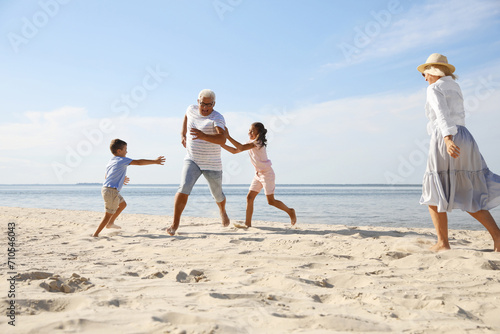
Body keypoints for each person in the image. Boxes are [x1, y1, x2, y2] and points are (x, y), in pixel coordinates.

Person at [418, 53, 500, 252]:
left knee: (433, 193)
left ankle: (443, 243)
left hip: (447, 136)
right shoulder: (454, 87)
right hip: (465, 135)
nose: (424, 77)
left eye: (425, 72)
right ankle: (498, 238)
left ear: (433, 72)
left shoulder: (434, 88)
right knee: (469, 192)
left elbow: (441, 114)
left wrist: (446, 138)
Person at [166, 89, 230, 235]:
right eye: (203, 104)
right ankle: (174, 224)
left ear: (214, 104)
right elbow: (186, 117)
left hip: (212, 163)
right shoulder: (191, 109)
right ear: (198, 102)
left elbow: (222, 139)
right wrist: (182, 134)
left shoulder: (217, 118)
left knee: (217, 194)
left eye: (209, 104)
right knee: (183, 187)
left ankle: (222, 211)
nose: (206, 107)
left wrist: (203, 136)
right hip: (192, 159)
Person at [221, 122, 296, 228]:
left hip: (267, 174)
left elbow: (241, 147)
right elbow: (234, 151)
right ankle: (248, 223)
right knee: (250, 197)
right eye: (249, 130)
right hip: (258, 174)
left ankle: (290, 211)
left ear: (258, 133)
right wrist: (220, 144)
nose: (249, 132)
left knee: (271, 201)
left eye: (252, 131)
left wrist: (227, 136)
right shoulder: (251, 142)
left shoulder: (258, 142)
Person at [93, 139, 165, 237]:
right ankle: (96, 234)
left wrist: (120, 179)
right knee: (108, 214)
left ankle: (110, 223)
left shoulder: (111, 161)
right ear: (119, 151)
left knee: (123, 205)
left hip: (108, 189)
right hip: (111, 191)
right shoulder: (122, 159)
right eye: (125, 149)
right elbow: (139, 162)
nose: (127, 152)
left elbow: (107, 176)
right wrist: (155, 161)